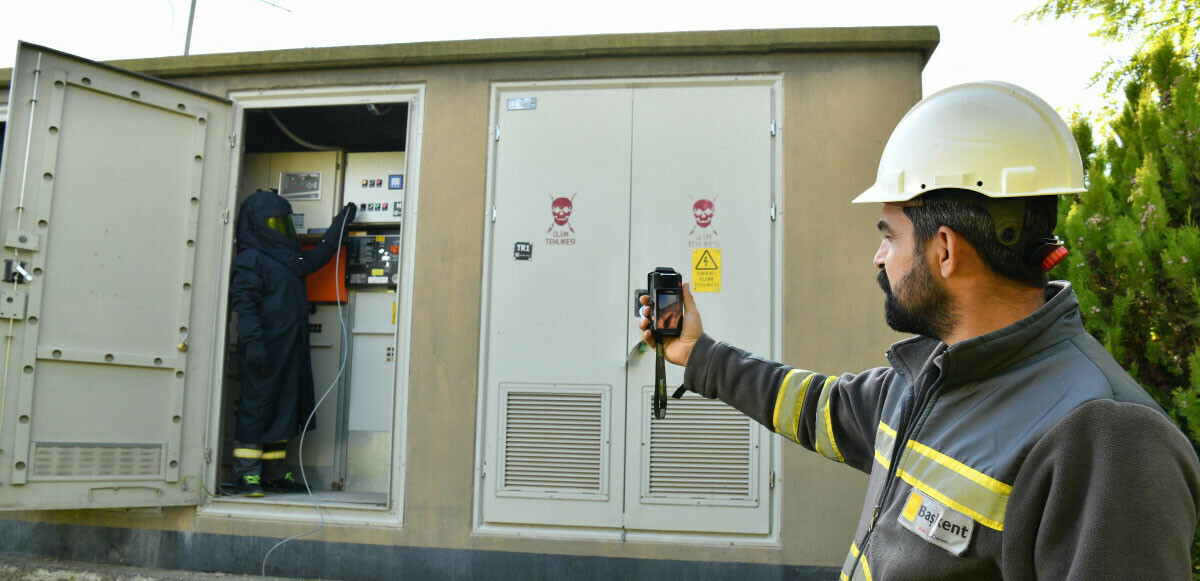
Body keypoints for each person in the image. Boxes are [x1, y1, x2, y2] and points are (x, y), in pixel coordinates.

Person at [640, 81, 1200, 579]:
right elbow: (819, 408)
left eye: (890, 235)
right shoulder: (929, 378)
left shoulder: (1110, 439)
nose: (878, 258)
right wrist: (697, 353)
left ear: (945, 249)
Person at [229, 190, 356, 497]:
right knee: (257, 409)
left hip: (288, 349)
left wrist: (340, 225)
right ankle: (247, 476)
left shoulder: (286, 257)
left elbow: (313, 260)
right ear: (259, 224)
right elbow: (244, 304)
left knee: (283, 408)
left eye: (284, 222)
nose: (282, 228)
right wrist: (253, 343)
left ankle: (273, 474)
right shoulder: (251, 259)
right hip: (263, 349)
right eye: (275, 222)